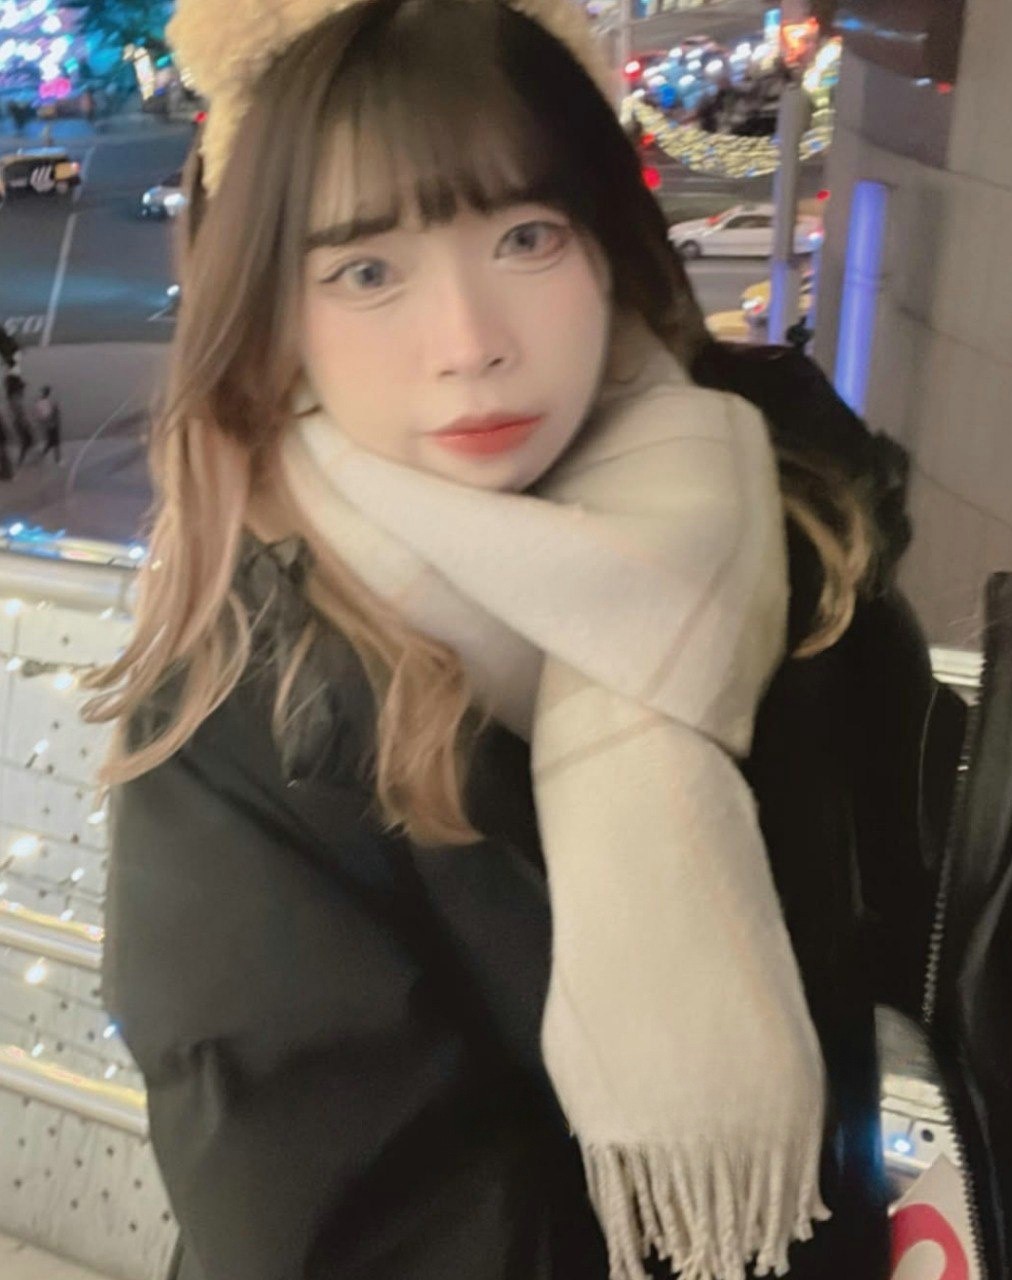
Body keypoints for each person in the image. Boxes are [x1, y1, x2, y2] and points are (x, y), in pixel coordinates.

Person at [85, 2, 941, 1278]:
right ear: (268, 309)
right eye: (367, 271)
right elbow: (348, 1231)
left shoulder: (788, 520)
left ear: (608, 243)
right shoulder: (244, 700)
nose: (471, 343)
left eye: (527, 236)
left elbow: (927, 906)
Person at [4, 359, 34, 467]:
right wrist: (24, 422)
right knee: (27, 441)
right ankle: (21, 461)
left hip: (19, 421)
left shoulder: (13, 397)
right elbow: (18, 412)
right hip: (19, 422)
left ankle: (22, 460)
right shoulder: (15, 399)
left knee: (28, 441)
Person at [33, 384, 62, 464]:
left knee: (52, 442)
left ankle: (43, 456)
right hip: (51, 424)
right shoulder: (44, 402)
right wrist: (54, 413)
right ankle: (57, 460)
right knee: (55, 442)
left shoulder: (41, 402)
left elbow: (39, 416)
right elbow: (47, 415)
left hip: (50, 424)